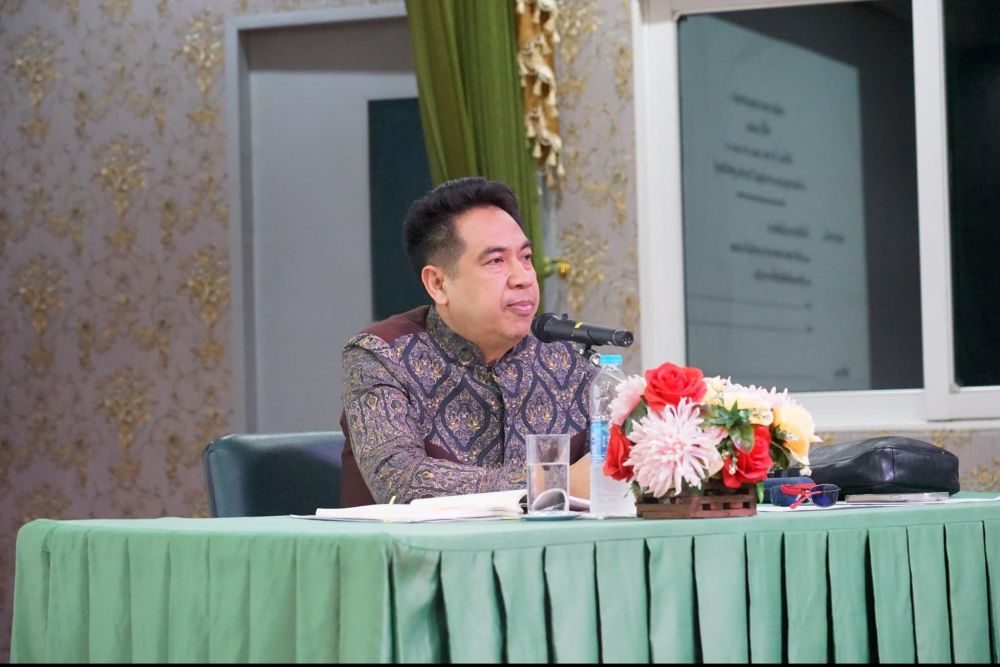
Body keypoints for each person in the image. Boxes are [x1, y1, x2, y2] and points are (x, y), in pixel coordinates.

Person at [339, 176, 596, 507]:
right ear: (438, 284)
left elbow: (614, 472)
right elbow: (402, 483)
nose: (523, 278)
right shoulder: (382, 355)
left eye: (526, 257)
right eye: (496, 261)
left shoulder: (566, 357)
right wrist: (552, 481)